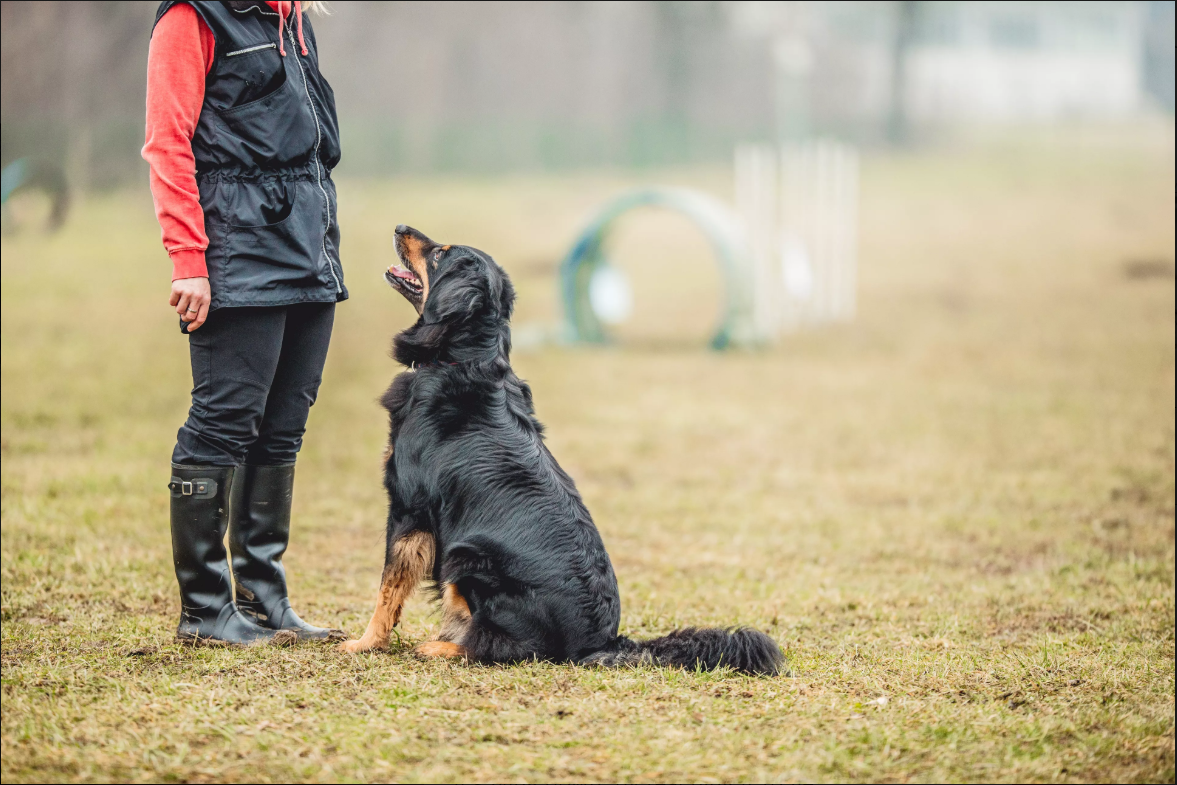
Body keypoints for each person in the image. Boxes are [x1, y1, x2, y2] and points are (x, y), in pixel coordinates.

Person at [142, 0, 345, 644]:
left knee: (283, 429)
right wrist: (188, 260)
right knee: (225, 421)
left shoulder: (293, 19)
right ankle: (205, 610)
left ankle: (263, 599)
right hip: (236, 253)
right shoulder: (190, 20)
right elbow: (167, 143)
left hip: (310, 248)